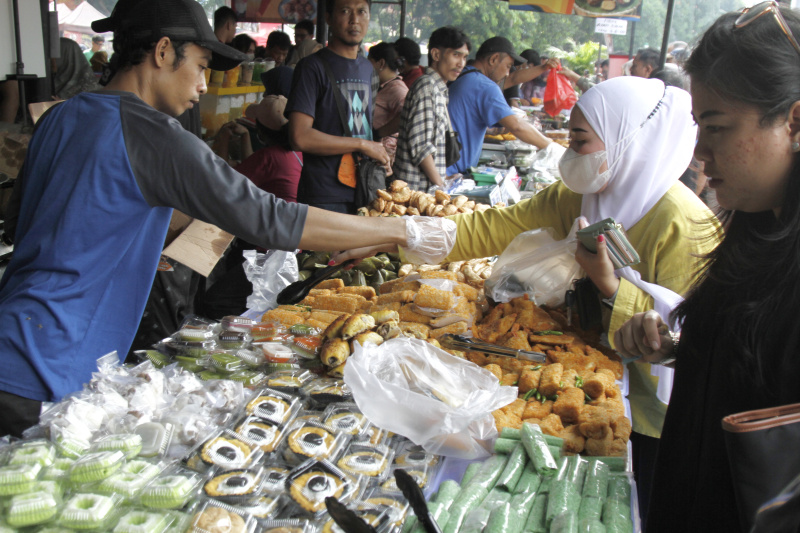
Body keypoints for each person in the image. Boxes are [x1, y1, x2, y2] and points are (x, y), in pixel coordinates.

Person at [0, 0, 436, 438]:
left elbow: (23, 223)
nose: (203, 85)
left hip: (12, 333)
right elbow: (269, 217)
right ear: (163, 52)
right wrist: (401, 229)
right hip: (53, 367)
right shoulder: (153, 134)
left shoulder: (58, 117)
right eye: (201, 65)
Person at [336, 76, 720, 523]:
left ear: (628, 141)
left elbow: (689, 340)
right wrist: (393, 235)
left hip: (654, 416)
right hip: (587, 377)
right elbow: (490, 228)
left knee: (634, 507)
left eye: (580, 140)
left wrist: (612, 286)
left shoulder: (684, 226)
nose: (570, 153)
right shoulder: (579, 196)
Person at [614, 5, 800, 531]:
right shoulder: (754, 231)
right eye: (698, 126)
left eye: (717, 127)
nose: (700, 152)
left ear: (794, 122)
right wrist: (679, 348)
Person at [285, 0, 388, 213]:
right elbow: (299, 137)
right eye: (345, 11)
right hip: (324, 195)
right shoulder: (311, 68)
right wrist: (362, 145)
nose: (354, 20)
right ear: (329, 18)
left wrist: (377, 153)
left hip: (365, 189)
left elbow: (364, 128)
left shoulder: (368, 69)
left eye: (362, 12)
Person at [446, 36, 554, 175]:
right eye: (508, 66)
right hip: (451, 172)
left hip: (445, 167)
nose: (507, 73)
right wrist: (552, 147)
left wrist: (544, 68)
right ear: (493, 59)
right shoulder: (484, 86)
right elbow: (517, 126)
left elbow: (513, 79)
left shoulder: (465, 75)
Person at [393, 27, 470, 191]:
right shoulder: (426, 87)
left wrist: (444, 178)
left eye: (464, 57)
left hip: (425, 189)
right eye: (456, 55)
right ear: (436, 55)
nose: (461, 63)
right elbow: (421, 147)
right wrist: (442, 187)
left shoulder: (438, 88)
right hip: (415, 192)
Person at [368, 41, 409, 169]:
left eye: (369, 62)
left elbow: (406, 116)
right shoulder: (384, 86)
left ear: (380, 63)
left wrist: (379, 133)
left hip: (385, 159)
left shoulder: (397, 89)